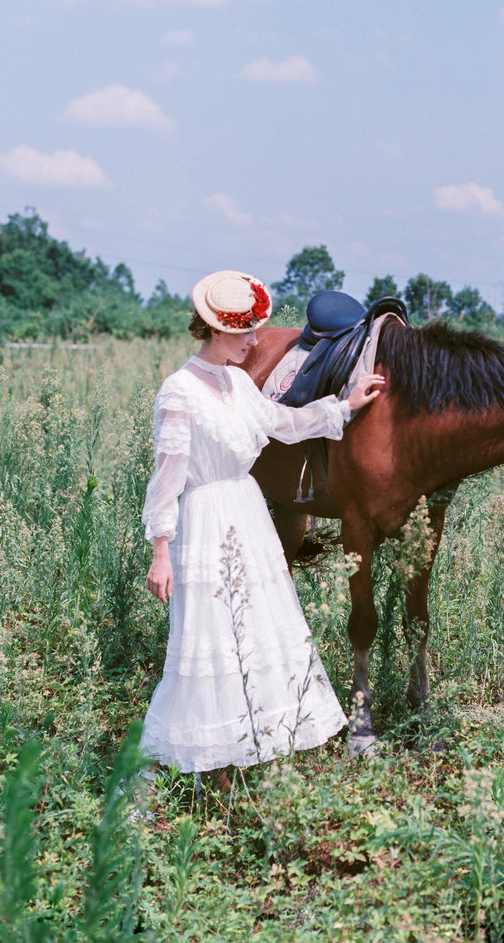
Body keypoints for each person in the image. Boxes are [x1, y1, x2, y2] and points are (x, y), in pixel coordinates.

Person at [141, 269, 383, 779]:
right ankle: (210, 756)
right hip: (205, 517)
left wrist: (344, 405)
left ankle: (262, 738)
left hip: (247, 511)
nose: (255, 342)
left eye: (255, 331)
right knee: (211, 636)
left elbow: (284, 424)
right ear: (214, 331)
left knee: (259, 626)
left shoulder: (236, 382)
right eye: (245, 332)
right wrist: (161, 549)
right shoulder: (178, 391)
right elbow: (167, 479)